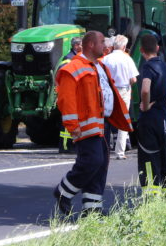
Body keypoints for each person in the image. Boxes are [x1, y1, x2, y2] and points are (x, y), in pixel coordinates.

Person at [52, 31, 130, 217]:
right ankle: (63, 192)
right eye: (102, 42)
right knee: (92, 161)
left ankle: (92, 209)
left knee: (101, 164)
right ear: (90, 45)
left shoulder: (100, 65)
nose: (106, 45)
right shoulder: (72, 68)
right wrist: (72, 125)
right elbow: (66, 100)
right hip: (86, 125)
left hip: (103, 123)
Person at [136, 33, 166, 195]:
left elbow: (145, 89)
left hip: (149, 119)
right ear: (157, 48)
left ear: (141, 50)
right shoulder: (165, 66)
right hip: (163, 119)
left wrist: (144, 105)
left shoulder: (147, 67)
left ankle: (151, 193)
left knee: (149, 156)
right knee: (164, 155)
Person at [101, 34, 139, 158]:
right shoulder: (127, 59)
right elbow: (133, 79)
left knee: (107, 118)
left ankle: (105, 148)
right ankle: (120, 151)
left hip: (108, 90)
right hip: (123, 90)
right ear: (124, 46)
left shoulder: (106, 59)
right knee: (123, 120)